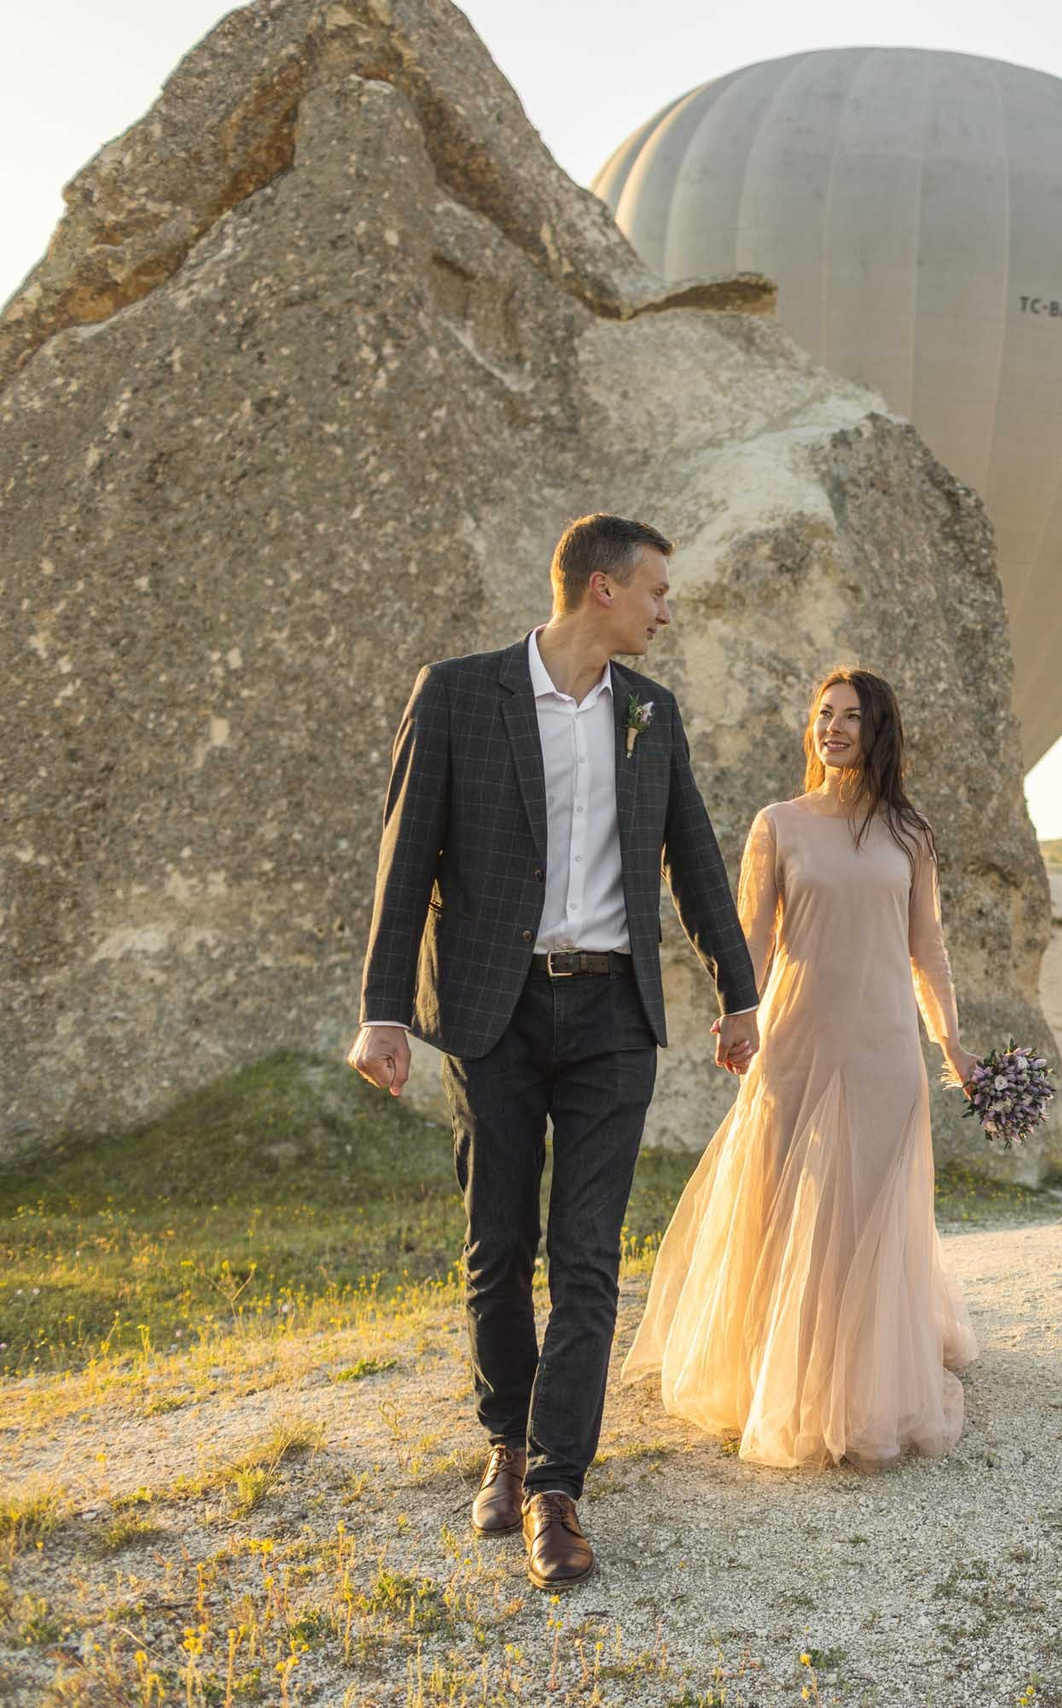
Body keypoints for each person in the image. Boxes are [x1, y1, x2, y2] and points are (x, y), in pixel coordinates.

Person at [346, 514, 760, 1588]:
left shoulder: (651, 716)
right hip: (494, 1012)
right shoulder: (457, 695)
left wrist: (737, 994)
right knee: (498, 1246)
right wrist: (382, 1010)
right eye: (659, 590)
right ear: (602, 590)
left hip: (612, 1018)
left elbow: (697, 863)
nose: (669, 610)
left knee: (586, 1258)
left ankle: (557, 1488)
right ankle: (507, 1441)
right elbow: (406, 862)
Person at [621, 667, 982, 1468]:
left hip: (888, 1042)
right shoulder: (778, 824)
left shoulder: (910, 834)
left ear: (879, 731)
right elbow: (753, 935)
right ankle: (775, 1379)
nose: (833, 728)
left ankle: (868, 1393)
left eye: (851, 716)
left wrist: (952, 1044)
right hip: (797, 1038)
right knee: (788, 1203)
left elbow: (929, 950)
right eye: (823, 715)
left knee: (870, 1208)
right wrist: (738, 1012)